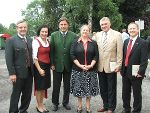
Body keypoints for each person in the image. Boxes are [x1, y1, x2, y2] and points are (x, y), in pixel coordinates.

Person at [93, 17, 123, 113]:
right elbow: (89, 42)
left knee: (111, 88)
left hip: (112, 66)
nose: (104, 26)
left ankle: (111, 108)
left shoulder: (117, 35)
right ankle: (105, 105)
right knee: (103, 88)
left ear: (109, 24)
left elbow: (120, 52)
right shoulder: (97, 35)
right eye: (102, 25)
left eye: (105, 24)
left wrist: (119, 65)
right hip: (100, 66)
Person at [5, 20, 33, 113]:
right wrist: (12, 73)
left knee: (27, 94)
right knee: (16, 95)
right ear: (17, 28)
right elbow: (9, 59)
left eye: (24, 27)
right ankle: (13, 111)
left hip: (29, 72)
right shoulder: (11, 41)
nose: (23, 29)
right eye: (20, 27)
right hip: (18, 74)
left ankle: (23, 110)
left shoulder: (30, 40)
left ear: (27, 28)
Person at [70, 25, 99, 113]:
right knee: (79, 89)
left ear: (89, 31)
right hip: (78, 70)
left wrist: (91, 65)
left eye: (87, 30)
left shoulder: (93, 43)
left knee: (89, 89)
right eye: (83, 30)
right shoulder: (75, 42)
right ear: (80, 31)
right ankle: (79, 106)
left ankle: (88, 107)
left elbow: (96, 55)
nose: (85, 32)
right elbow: (72, 55)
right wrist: (80, 65)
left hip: (90, 70)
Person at [121, 22, 148, 113]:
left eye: (134, 28)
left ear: (137, 30)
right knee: (125, 93)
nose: (132, 30)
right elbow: (124, 56)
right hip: (125, 72)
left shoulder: (143, 43)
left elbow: (144, 60)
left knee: (136, 93)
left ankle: (136, 110)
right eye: (130, 29)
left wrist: (141, 72)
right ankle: (126, 109)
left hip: (136, 72)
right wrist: (121, 69)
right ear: (128, 30)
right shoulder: (125, 42)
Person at [50, 17, 76, 111]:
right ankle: (55, 103)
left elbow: (75, 50)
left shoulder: (73, 35)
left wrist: (75, 64)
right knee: (56, 86)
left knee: (67, 86)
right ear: (59, 25)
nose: (63, 26)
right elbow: (51, 51)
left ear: (68, 25)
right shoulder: (53, 35)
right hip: (57, 65)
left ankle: (65, 102)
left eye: (65, 24)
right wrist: (52, 63)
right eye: (61, 24)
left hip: (69, 65)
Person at [32, 25, 51, 113]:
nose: (44, 33)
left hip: (47, 67)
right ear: (39, 32)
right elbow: (34, 57)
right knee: (39, 88)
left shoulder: (47, 41)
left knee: (44, 87)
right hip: (39, 66)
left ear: (48, 33)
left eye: (46, 32)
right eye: (42, 31)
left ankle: (41, 104)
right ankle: (38, 106)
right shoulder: (36, 41)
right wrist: (39, 69)